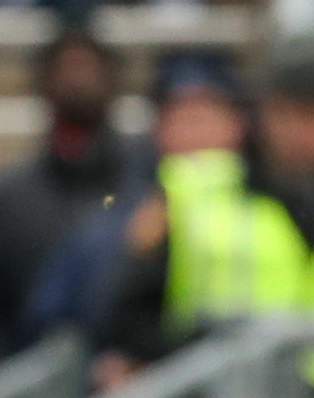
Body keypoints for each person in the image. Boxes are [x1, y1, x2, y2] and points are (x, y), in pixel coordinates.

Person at [98, 37, 314, 394]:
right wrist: (203, 353)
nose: (300, 130)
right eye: (287, 111)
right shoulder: (192, 193)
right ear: (264, 112)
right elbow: (128, 315)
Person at [31, 51, 246, 356]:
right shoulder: (122, 216)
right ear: (159, 129)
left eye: (207, 115)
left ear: (236, 125)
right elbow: (73, 312)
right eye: (183, 117)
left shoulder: (270, 205)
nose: (196, 132)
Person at [0, 24, 142, 372]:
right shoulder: (8, 198)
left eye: (88, 67)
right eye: (67, 67)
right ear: (43, 82)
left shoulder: (146, 185)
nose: (78, 80)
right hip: (39, 396)